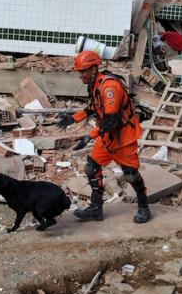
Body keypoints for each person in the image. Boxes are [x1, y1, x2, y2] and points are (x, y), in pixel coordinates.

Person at [58, 51, 150, 224]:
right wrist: (72, 118)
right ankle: (96, 208)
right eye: (79, 72)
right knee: (91, 168)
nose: (80, 75)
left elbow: (111, 120)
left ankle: (144, 206)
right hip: (106, 136)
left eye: (83, 71)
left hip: (123, 137)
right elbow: (93, 108)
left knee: (130, 175)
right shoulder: (95, 84)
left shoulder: (110, 88)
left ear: (93, 69)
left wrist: (88, 136)